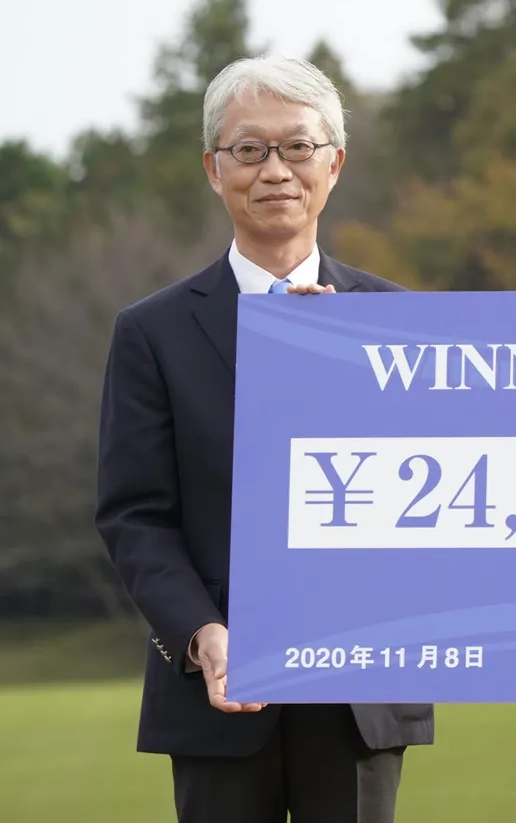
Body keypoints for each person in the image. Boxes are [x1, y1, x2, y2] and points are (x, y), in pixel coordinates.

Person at [94, 54, 434, 823]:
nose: (275, 169)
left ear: (334, 164)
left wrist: (346, 373)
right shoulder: (152, 333)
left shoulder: (397, 324)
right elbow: (134, 514)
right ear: (214, 169)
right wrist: (200, 634)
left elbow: (432, 495)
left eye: (298, 147)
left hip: (360, 683)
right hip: (219, 683)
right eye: (250, 149)